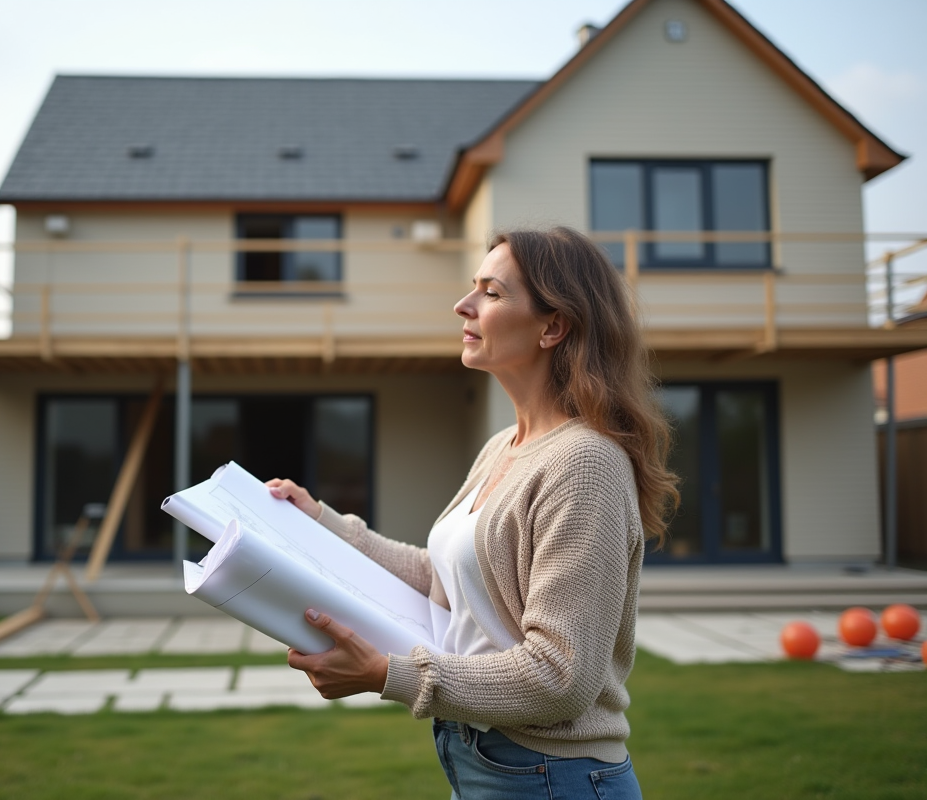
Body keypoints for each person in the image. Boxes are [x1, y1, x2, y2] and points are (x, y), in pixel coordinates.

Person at [266, 226, 678, 799]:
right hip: (483, 756)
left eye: (491, 292)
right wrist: (323, 523)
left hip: (551, 775)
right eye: (472, 287)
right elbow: (444, 577)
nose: (463, 305)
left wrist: (387, 673)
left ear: (553, 327)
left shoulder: (585, 464)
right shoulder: (503, 446)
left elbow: (560, 676)